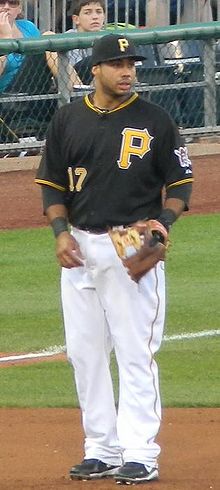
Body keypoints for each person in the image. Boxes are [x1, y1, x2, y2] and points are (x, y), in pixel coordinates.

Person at [35, 33, 193, 485]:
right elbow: (52, 184)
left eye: (132, 64)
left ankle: (141, 452)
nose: (128, 71)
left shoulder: (156, 119)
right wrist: (60, 234)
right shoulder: (67, 120)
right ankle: (100, 447)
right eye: (118, 64)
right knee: (85, 354)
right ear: (96, 71)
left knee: (134, 352)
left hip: (130, 243)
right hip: (81, 247)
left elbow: (181, 182)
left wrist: (161, 225)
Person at [45, 0, 105, 86]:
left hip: (98, 80)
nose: (95, 17)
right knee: (94, 60)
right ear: (76, 19)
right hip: (71, 79)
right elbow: (70, 67)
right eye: (88, 13)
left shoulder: (107, 37)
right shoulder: (68, 38)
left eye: (99, 12)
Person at [0, 0, 40, 93]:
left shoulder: (28, 26)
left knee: (48, 35)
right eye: (1, 2)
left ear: (19, 9)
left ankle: (76, 93)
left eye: (12, 3)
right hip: (6, 95)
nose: (6, 7)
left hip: (35, 85)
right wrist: (6, 38)